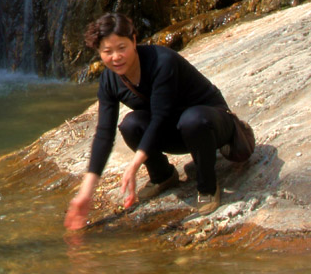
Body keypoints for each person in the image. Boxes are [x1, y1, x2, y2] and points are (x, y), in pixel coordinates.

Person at [64, 12, 235, 230]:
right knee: (130, 125)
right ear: (99, 52)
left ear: (134, 41)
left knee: (192, 120)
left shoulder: (161, 61)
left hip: (210, 124)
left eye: (122, 48)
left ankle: (208, 187)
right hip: (175, 129)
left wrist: (134, 165)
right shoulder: (109, 79)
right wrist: (85, 193)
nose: (116, 57)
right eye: (107, 51)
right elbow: (104, 134)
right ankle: (163, 176)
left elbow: (161, 116)